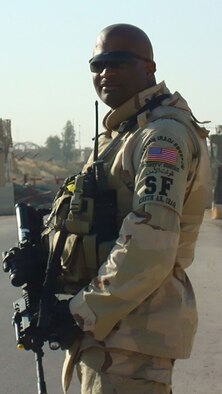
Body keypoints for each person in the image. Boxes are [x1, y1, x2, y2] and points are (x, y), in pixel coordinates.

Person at [4, 23, 211, 394]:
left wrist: (78, 314)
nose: (106, 73)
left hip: (133, 338)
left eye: (118, 62)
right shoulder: (121, 135)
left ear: (149, 68)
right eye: (97, 65)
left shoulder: (160, 137)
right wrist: (43, 256)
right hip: (109, 333)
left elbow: (149, 246)